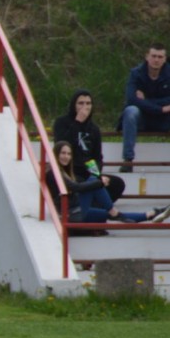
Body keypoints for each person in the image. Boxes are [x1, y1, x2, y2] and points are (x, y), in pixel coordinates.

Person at [44, 140, 168, 225]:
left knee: (110, 214)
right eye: (63, 153)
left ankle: (152, 214)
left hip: (76, 210)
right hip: (70, 214)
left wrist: (98, 182)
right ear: (56, 154)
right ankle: (113, 210)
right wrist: (100, 183)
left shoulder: (65, 172)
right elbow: (76, 187)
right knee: (94, 181)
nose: (66, 156)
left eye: (69, 154)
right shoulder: (53, 173)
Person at [52, 89, 125, 203]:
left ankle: (94, 206)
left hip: (87, 170)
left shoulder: (94, 129)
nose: (85, 107)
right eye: (81, 103)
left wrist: (96, 175)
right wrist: (77, 123)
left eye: (88, 103)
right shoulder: (62, 122)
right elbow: (61, 145)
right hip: (71, 171)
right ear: (74, 105)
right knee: (83, 184)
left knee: (117, 183)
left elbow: (96, 156)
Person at [118, 43, 170, 172]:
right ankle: (128, 160)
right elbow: (131, 99)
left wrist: (145, 100)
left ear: (165, 59)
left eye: (160, 57)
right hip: (142, 118)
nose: (156, 60)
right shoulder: (135, 73)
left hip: (164, 119)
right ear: (147, 56)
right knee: (130, 111)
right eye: (153, 56)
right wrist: (160, 108)